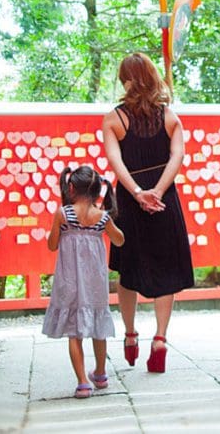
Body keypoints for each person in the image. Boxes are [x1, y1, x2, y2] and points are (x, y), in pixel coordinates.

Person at [102, 52, 194, 374]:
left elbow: (116, 161)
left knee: (127, 271)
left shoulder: (114, 119)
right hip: (164, 199)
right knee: (166, 268)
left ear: (124, 80)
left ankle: (130, 335)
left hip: (129, 201)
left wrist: (138, 193)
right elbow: (177, 156)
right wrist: (157, 190)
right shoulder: (170, 117)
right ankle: (160, 339)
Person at [43, 164, 125, 399]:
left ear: (71, 187)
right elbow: (120, 240)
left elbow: (52, 245)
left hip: (68, 281)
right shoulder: (102, 217)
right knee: (98, 327)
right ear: (98, 190)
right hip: (95, 283)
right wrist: (109, 221)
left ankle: (82, 383)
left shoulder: (64, 214)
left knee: (73, 331)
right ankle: (100, 373)